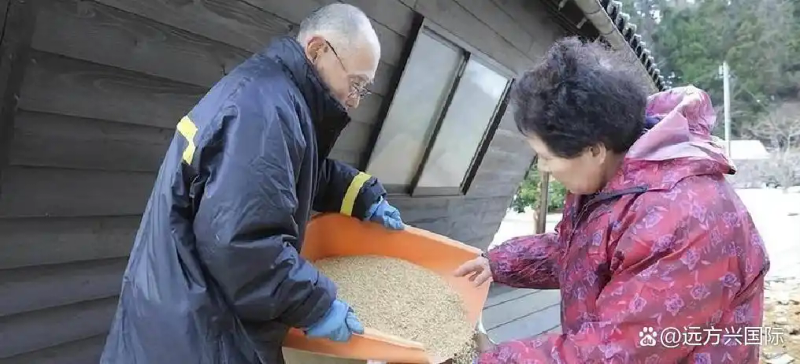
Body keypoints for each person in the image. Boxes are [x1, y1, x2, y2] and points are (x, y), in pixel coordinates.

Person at [100, 4, 404, 364]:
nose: (354, 100)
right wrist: (314, 304)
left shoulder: (275, 97)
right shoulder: (263, 111)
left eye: (363, 90)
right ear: (318, 50)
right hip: (194, 333)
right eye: (355, 84)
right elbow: (242, 245)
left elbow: (293, 173)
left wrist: (360, 195)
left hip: (179, 313)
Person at [456, 37, 770, 363]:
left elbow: (614, 352)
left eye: (545, 157)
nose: (543, 168)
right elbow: (580, 250)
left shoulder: (683, 220)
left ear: (594, 150)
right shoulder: (615, 176)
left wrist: (492, 359)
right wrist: (499, 263)